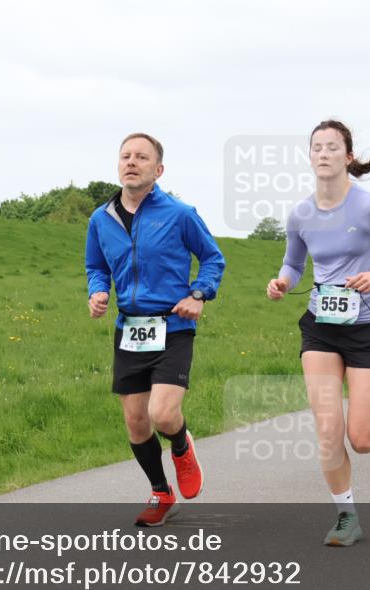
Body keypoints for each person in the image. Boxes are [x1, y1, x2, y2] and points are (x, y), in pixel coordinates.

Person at [266, 120, 370, 546]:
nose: (324, 153)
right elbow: (294, 265)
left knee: (359, 436)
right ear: (310, 156)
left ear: (348, 156)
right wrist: (282, 283)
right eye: (317, 147)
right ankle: (347, 516)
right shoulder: (300, 214)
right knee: (329, 430)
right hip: (321, 328)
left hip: (367, 327)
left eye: (333, 147)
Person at [86, 132, 226, 527]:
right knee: (136, 421)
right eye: (125, 156)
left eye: (141, 157)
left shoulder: (180, 214)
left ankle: (181, 446)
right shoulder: (101, 219)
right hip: (129, 328)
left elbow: (213, 259)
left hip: (174, 326)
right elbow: (96, 266)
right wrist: (97, 292)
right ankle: (161, 494)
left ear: (158, 169)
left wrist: (199, 293)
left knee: (163, 414)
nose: (131, 162)